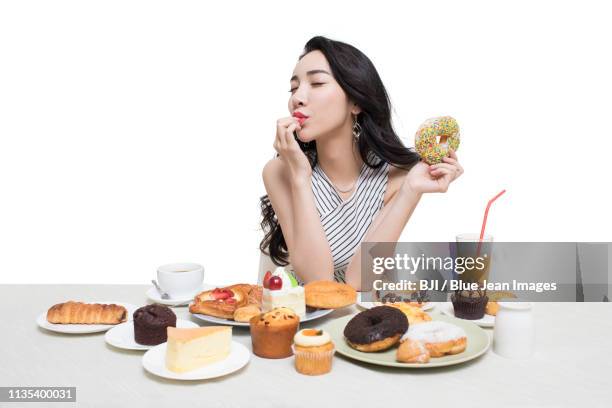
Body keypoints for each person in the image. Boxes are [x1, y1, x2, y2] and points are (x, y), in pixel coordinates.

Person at [259, 36, 463, 290]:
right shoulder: (280, 172)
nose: (297, 98)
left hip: (364, 318)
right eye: (293, 88)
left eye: (317, 82)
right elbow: (319, 282)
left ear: (355, 102)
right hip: (305, 323)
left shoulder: (397, 178)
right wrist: (301, 178)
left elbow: (360, 281)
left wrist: (411, 191)